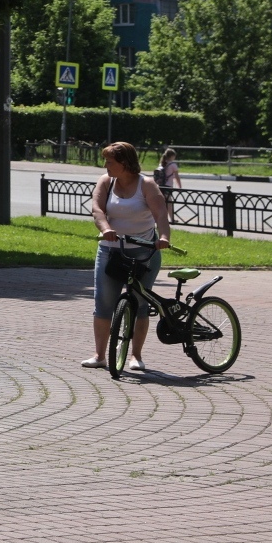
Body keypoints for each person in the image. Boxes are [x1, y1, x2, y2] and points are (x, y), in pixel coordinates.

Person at [82, 141, 171, 373]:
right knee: (103, 304)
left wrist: (164, 237)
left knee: (140, 305)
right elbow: (97, 209)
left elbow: (161, 214)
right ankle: (100, 355)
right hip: (111, 250)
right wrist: (105, 229)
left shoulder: (147, 185)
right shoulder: (106, 181)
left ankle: (136, 356)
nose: (105, 165)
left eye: (110, 161)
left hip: (144, 252)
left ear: (125, 163)